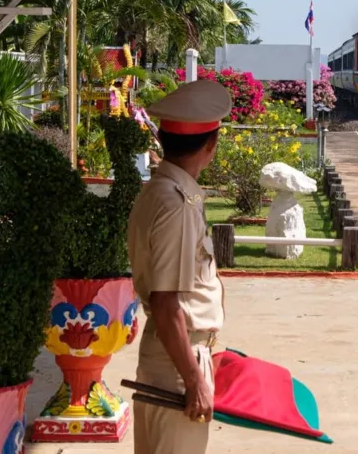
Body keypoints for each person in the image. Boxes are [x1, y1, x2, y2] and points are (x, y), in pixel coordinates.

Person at [127, 78, 232, 453]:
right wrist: (194, 381)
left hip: (176, 358)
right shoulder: (176, 206)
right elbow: (168, 302)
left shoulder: (160, 191)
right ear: (211, 145)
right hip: (177, 366)